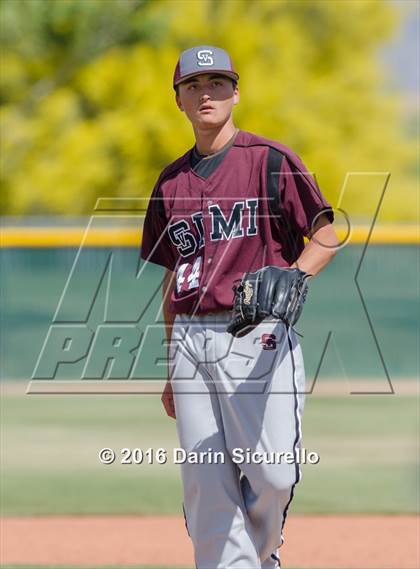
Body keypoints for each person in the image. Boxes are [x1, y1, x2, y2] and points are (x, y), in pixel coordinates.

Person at [140, 45, 338, 569]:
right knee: (207, 484)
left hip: (257, 334)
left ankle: (263, 555)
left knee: (273, 473)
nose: (206, 93)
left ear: (236, 92)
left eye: (217, 83)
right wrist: (168, 363)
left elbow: (326, 234)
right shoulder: (169, 182)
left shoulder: (270, 159)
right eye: (194, 85)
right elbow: (171, 278)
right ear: (178, 99)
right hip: (190, 341)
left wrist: (295, 274)